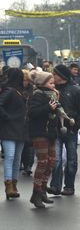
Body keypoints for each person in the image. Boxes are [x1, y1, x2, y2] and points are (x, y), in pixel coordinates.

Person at [48, 64, 80, 196]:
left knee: (71, 159)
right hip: (56, 128)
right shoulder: (52, 91)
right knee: (57, 159)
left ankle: (69, 186)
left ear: (61, 76)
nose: (53, 76)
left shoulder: (76, 90)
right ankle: (55, 186)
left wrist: (77, 125)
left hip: (70, 129)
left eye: (55, 74)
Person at [27, 71, 60, 208]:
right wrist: (48, 107)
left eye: (53, 83)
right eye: (50, 83)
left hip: (50, 133)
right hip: (39, 132)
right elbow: (32, 113)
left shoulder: (53, 94)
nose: (53, 85)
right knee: (42, 162)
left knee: (52, 162)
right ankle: (36, 194)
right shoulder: (37, 95)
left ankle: (43, 190)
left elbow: (55, 113)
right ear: (42, 83)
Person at [0, 68, 27, 200]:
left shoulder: (20, 91)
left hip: (20, 129)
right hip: (9, 128)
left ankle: (14, 185)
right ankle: (8, 185)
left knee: (17, 158)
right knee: (10, 156)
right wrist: (7, 117)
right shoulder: (9, 90)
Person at [20, 69, 35, 176]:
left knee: (30, 144)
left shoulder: (33, 90)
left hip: (31, 120)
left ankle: (28, 165)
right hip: (19, 121)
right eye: (23, 80)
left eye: (26, 80)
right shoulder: (15, 90)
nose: (25, 82)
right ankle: (23, 163)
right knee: (22, 144)